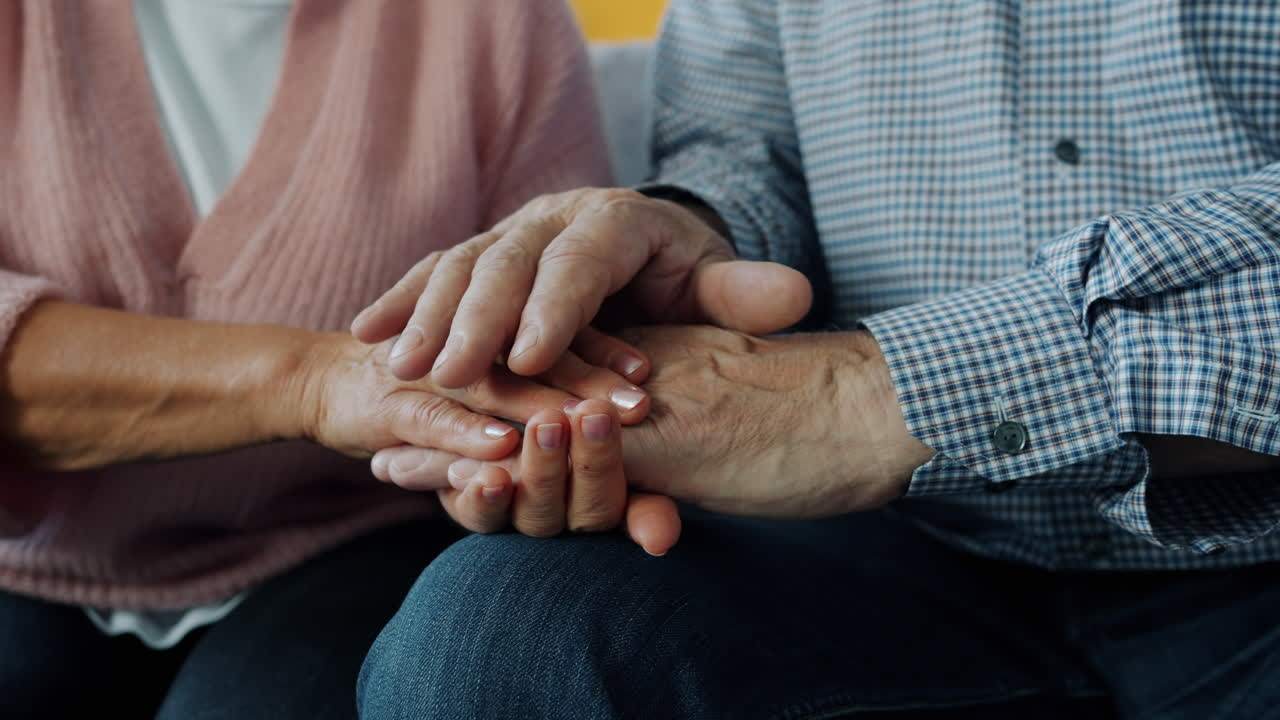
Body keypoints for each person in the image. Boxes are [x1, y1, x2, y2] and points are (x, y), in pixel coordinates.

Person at [356, 0, 1280, 717]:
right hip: (914, 541)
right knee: (492, 640)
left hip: (1259, 536)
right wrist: (689, 234)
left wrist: (858, 402)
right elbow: (740, 147)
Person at [0, 1, 676, 717]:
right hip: (27, 563)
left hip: (355, 545)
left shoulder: (497, 20)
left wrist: (529, 445)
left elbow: (554, 320)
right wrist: (314, 383)